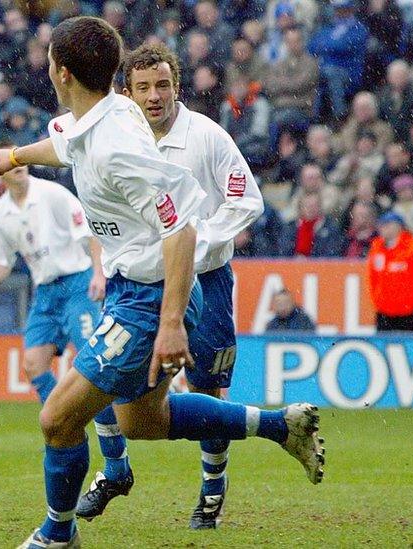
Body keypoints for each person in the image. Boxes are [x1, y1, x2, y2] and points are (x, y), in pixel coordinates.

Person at [0, 17, 323, 548]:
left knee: (58, 418)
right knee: (142, 422)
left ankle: (56, 534)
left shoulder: (119, 146)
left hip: (150, 297)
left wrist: (171, 323)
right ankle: (281, 427)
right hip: (133, 288)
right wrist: (15, 156)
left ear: (60, 72)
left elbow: (179, 225)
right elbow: (64, 146)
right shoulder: (103, 115)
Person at [72, 42, 266, 531]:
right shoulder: (119, 137)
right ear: (127, 92)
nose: (153, 96)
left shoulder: (207, 137)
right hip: (139, 285)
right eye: (142, 88)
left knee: (207, 387)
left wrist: (198, 246)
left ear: (176, 88)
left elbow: (247, 200)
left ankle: (212, 492)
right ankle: (115, 472)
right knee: (102, 378)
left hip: (207, 281)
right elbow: (100, 217)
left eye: (162, 86)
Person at [0, 143, 104, 403]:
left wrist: (99, 274)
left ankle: (111, 433)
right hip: (46, 291)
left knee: (92, 364)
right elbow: (3, 260)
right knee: (34, 364)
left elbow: (89, 233)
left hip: (78, 284)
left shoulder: (53, 194)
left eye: (19, 158)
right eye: (11, 161)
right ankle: (61, 419)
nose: (18, 164)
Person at [367, 212, 413, 332]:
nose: (383, 228)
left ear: (398, 226)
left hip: (408, 312)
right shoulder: (377, 247)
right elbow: (372, 278)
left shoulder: (412, 248)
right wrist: (378, 300)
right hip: (384, 312)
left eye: (387, 225)